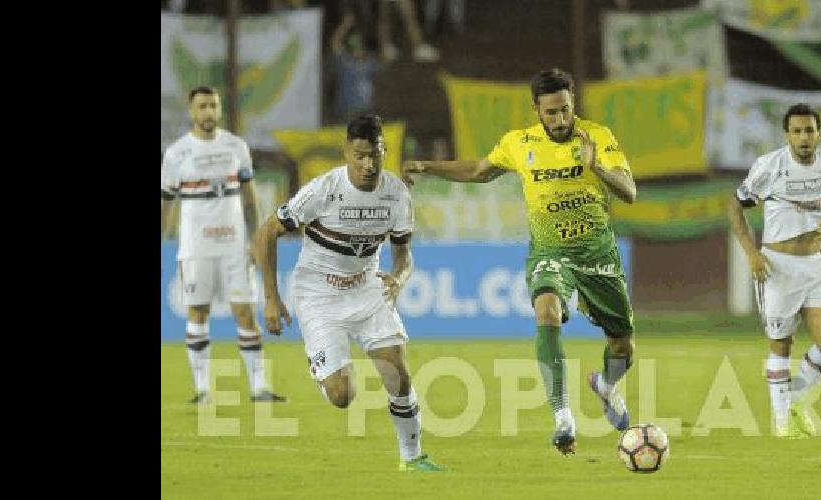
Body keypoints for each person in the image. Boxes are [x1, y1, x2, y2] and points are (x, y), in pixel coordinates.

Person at [403, 69, 638, 456]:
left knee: (622, 345)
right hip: (550, 251)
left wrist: (595, 166)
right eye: (551, 113)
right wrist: (427, 167)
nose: (560, 120)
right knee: (546, 311)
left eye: (565, 110)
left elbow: (629, 192)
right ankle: (563, 415)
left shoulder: (599, 136)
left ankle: (608, 386)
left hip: (597, 254)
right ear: (537, 111)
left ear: (573, 103)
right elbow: (480, 171)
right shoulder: (519, 143)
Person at [255, 113, 444, 472]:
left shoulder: (397, 195)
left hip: (366, 288)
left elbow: (403, 255)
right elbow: (266, 232)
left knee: (397, 373)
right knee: (343, 396)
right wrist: (271, 298)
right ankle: (323, 365)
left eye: (375, 154)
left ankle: (413, 457)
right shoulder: (323, 190)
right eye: (360, 155)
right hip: (318, 294)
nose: (368, 164)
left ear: (385, 151)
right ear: (346, 153)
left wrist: (400, 278)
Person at [725, 103, 821, 439]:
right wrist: (751, 253)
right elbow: (734, 205)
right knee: (781, 345)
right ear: (787, 135)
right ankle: (782, 424)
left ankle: (794, 398)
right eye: (796, 131)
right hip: (776, 267)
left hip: (815, 265)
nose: (803, 137)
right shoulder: (769, 167)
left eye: (809, 130)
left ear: (819, 134)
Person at [161, 86, 286, 404]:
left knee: (245, 313)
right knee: (198, 313)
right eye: (202, 106)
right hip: (195, 247)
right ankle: (202, 389)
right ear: (191, 111)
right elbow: (166, 205)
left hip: (234, 246)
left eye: (213, 105)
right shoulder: (176, 154)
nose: (208, 112)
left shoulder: (236, 147)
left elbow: (249, 199)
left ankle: (259, 388)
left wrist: (255, 239)